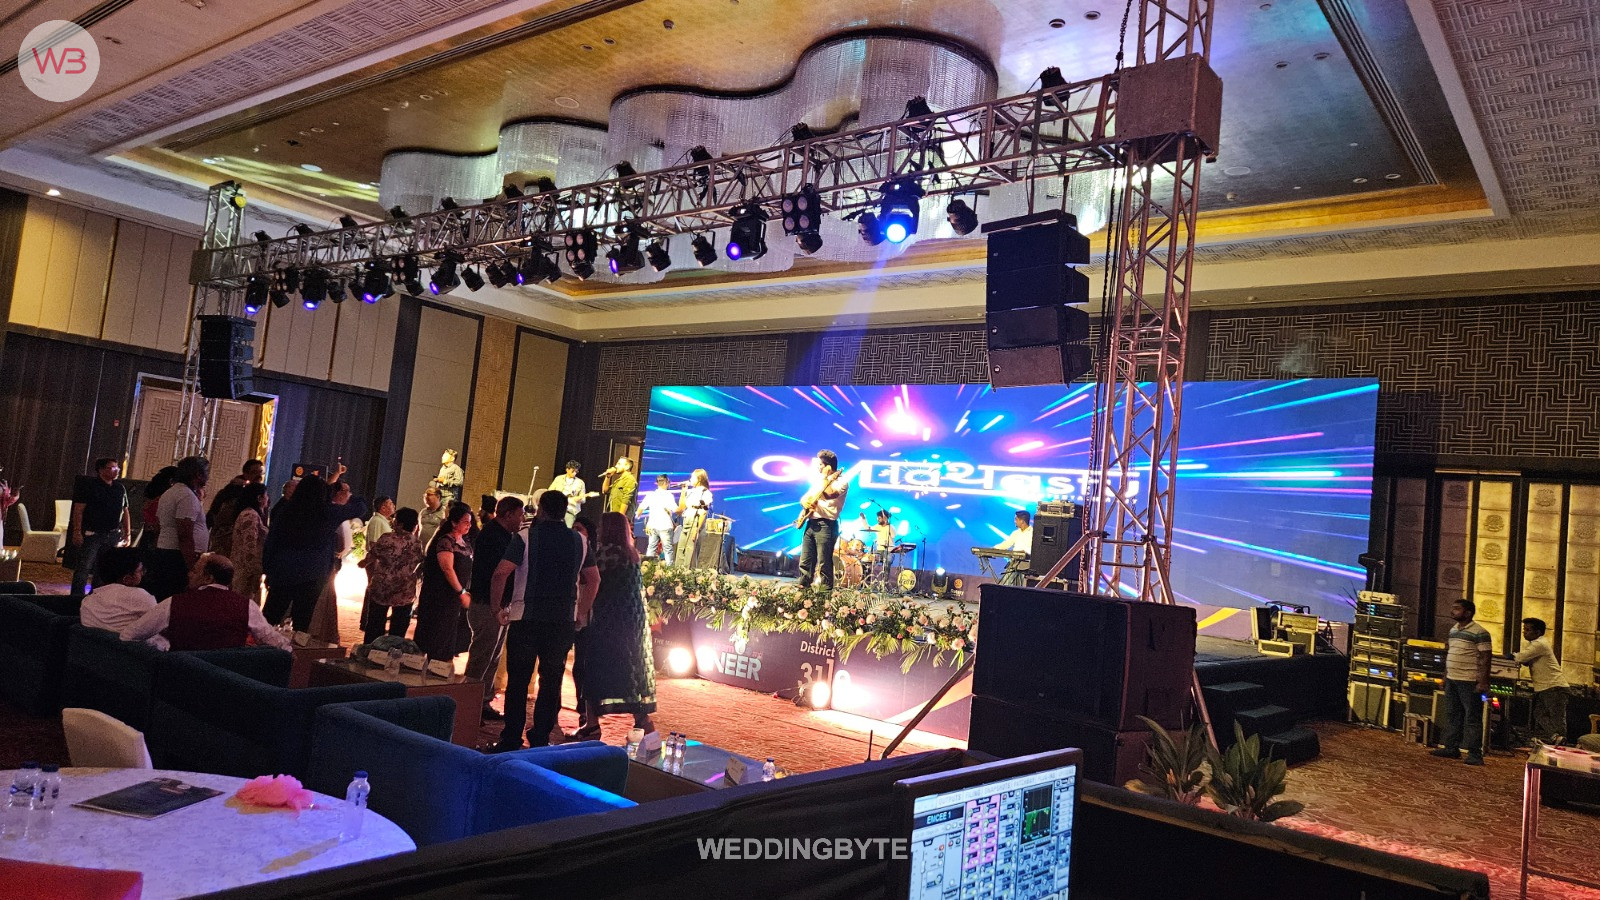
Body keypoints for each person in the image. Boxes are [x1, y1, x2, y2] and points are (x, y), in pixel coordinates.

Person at [488, 490, 598, 752]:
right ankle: (540, 737)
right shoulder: (580, 541)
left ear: (541, 510)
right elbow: (594, 579)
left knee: (518, 681)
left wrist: (496, 609)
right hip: (562, 621)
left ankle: (511, 738)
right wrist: (581, 612)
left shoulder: (525, 537)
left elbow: (501, 573)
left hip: (526, 618)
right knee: (551, 681)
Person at [576, 511, 658, 746]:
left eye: (602, 526)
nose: (599, 530)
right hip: (632, 624)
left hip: (608, 622)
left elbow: (589, 580)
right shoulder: (632, 555)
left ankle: (592, 725)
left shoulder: (605, 554)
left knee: (593, 670)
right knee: (631, 673)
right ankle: (643, 722)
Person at [121, 553, 291, 652]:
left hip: (179, 683)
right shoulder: (247, 606)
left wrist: (158, 643)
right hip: (229, 685)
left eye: (195, 571)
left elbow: (128, 635)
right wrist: (289, 650)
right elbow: (273, 641)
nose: (189, 574)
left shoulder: (175, 603)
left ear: (208, 578)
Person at [466, 496, 524, 720]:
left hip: (497, 603)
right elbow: (497, 574)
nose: (522, 519)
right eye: (519, 514)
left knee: (493, 657)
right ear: (508, 514)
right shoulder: (492, 536)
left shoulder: (504, 535)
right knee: (481, 657)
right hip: (487, 603)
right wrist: (495, 607)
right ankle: (469, 705)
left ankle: (483, 701)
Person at [1431, 598, 1493, 765]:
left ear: (1468, 613)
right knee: (1452, 715)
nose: (1453, 611)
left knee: (1472, 718)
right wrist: (1445, 677)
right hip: (1453, 679)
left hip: (1469, 680)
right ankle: (1451, 748)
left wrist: (1483, 682)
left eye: (1457, 608)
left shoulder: (1480, 632)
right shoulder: (1453, 630)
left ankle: (1475, 754)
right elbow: (1451, 654)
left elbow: (1486, 658)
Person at [415, 501, 475, 664]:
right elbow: (447, 569)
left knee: (449, 632)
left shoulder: (465, 542)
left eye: (470, 522)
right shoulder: (446, 541)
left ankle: (442, 664)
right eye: (465, 522)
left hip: (454, 597)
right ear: (454, 523)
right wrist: (461, 592)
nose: (469, 525)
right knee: (437, 632)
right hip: (441, 595)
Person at [148, 456, 210, 601]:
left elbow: (158, 526)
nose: (208, 476)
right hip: (178, 557)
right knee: (176, 600)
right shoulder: (186, 496)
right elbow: (184, 534)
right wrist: (192, 566)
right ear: (198, 474)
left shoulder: (171, 492)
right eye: (206, 472)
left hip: (167, 552)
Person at [360, 507, 424, 643]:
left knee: (375, 622)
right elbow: (418, 562)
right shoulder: (417, 543)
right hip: (405, 589)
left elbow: (372, 555)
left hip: (383, 586)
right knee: (399, 626)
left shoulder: (387, 538)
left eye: (395, 520)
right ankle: (393, 650)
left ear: (400, 524)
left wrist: (363, 563)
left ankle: (371, 649)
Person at [69, 457, 132, 597]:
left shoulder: (119, 488)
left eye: (117, 468)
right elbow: (78, 510)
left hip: (112, 534)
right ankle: (76, 598)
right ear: (101, 470)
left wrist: (127, 533)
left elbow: (125, 511)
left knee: (103, 569)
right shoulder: (89, 486)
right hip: (92, 533)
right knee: (84, 567)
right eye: (112, 468)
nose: (116, 471)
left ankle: (96, 597)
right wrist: (77, 531)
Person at [796, 450, 848, 591]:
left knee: (824, 563)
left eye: (820, 464)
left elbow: (830, 494)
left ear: (828, 466)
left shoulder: (842, 481)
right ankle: (803, 591)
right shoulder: (819, 481)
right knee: (805, 561)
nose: (818, 467)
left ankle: (824, 596)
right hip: (811, 523)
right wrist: (805, 503)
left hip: (826, 525)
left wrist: (826, 477)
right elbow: (805, 498)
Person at [1512, 617, 1569, 743]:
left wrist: (1510, 656)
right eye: (1524, 630)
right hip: (1546, 687)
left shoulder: (1539, 644)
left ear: (1537, 632)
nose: (1524, 633)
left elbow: (1520, 658)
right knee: (1539, 714)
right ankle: (1556, 737)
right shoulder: (1535, 644)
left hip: (1554, 686)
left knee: (1556, 717)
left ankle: (1561, 742)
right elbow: (1526, 660)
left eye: (1528, 630)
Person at [78, 547, 156, 633]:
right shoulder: (141, 597)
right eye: (140, 570)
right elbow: (161, 623)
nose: (143, 573)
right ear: (127, 579)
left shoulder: (87, 602)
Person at [229, 483, 270, 603]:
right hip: (245, 573)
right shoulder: (250, 515)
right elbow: (249, 546)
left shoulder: (248, 513)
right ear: (259, 498)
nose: (268, 499)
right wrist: (253, 573)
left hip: (242, 568)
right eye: (266, 495)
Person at [675, 469, 713, 568]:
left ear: (699, 479)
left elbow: (704, 512)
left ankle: (687, 570)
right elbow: (682, 507)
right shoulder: (690, 491)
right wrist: (683, 491)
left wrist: (697, 530)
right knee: (681, 546)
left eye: (692, 477)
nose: (690, 479)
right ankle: (678, 569)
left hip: (695, 519)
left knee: (690, 548)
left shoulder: (705, 492)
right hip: (686, 518)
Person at [639, 474, 678, 564]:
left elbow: (640, 509)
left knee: (651, 548)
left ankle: (647, 567)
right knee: (667, 549)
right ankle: (669, 569)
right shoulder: (669, 495)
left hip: (652, 526)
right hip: (665, 526)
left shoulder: (650, 495)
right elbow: (676, 509)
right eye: (668, 482)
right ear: (665, 482)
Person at [137, 466, 178, 549]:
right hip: (157, 536)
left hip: (148, 534)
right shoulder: (164, 499)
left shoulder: (153, 496)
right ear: (171, 482)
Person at [994, 510, 1034, 586]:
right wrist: (994, 549)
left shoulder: (1033, 533)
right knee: (1005, 583)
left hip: (1026, 565)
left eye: (1016, 519)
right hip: (1014, 563)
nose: (1014, 521)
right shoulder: (1016, 533)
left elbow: (1034, 549)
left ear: (1022, 521)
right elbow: (1006, 544)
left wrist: (1024, 552)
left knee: (1020, 585)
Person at [549, 461, 588, 527]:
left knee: (567, 528)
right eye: (573, 471)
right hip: (556, 509)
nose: (574, 473)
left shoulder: (580, 482)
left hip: (570, 510)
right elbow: (550, 492)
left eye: (576, 471)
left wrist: (577, 499)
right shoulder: (558, 479)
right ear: (567, 469)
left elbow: (583, 499)